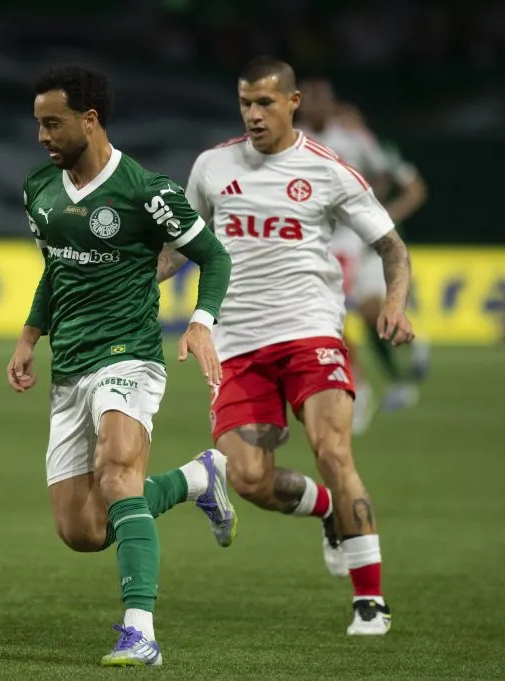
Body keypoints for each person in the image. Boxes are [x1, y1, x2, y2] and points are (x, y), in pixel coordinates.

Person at [157, 57, 415, 635]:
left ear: (293, 102)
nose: (253, 114)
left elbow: (392, 248)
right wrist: (138, 281)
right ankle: (326, 510)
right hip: (237, 345)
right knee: (247, 478)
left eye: (265, 103)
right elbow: (180, 246)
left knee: (333, 449)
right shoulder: (212, 167)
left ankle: (369, 600)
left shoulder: (328, 170)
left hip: (311, 333)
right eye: (245, 102)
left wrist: (394, 302)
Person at [7, 66, 236, 666]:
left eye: (52, 123)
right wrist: (31, 335)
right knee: (82, 531)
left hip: (129, 356)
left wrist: (200, 323)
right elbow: (57, 270)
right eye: (37, 123)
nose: (42, 136)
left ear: (90, 119)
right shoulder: (39, 190)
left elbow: (213, 258)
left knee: (116, 473)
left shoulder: (146, 191)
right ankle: (195, 480)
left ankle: (140, 632)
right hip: (69, 367)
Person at [299, 80, 429, 422]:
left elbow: (388, 175)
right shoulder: (290, 139)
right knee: (329, 322)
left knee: (358, 316)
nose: (314, 105)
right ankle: (362, 386)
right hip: (309, 242)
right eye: (307, 99)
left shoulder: (354, 141)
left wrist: (376, 214)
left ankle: (368, 385)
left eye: (320, 99)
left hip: (350, 242)